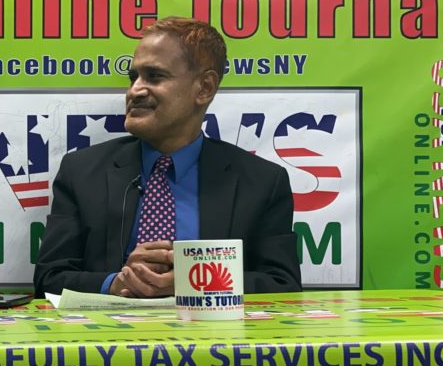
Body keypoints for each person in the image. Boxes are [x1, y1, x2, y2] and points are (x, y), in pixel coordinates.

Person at [34, 16, 301, 298]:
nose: (135, 90)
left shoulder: (261, 182)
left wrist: (195, 281)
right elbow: (49, 280)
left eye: (155, 76)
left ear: (204, 88)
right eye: (133, 77)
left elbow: (282, 284)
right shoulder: (82, 172)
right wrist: (116, 283)